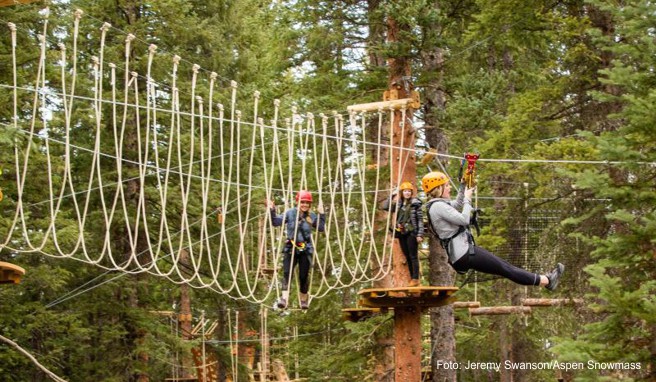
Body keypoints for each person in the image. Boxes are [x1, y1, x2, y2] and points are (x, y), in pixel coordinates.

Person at [421, 171, 564, 290]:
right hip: (463, 253)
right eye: (446, 186)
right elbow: (464, 218)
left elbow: (457, 204)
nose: (449, 188)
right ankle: (547, 281)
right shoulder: (438, 207)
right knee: (505, 268)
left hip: (462, 254)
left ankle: (546, 280)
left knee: (505, 268)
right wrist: (468, 199)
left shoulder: (437, 205)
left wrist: (464, 184)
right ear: (438, 189)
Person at [268, 190, 325, 309]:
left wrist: (322, 214)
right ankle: (284, 299)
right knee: (287, 273)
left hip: (305, 249)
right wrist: (272, 210)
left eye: (307, 203)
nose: (304, 204)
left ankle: (303, 300)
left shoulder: (311, 215)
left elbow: (320, 228)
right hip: (291, 247)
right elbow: (275, 222)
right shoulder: (290, 213)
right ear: (298, 202)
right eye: (302, 202)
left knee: (303, 276)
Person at [381, 181, 424, 287]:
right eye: (405, 191)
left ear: (411, 192)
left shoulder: (415, 204)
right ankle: (413, 279)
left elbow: (420, 220)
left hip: (412, 232)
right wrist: (392, 194)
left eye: (409, 191)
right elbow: (385, 207)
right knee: (407, 256)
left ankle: (415, 278)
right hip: (402, 232)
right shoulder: (399, 204)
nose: (407, 193)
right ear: (402, 192)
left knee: (413, 256)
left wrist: (420, 234)